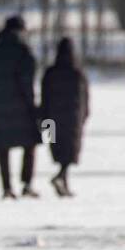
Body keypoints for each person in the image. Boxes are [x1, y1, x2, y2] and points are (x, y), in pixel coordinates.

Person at [0, 15, 42, 199]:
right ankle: (26, 184)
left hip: (0, 107)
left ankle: (6, 187)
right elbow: (27, 82)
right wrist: (32, 105)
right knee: (30, 145)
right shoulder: (24, 51)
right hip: (23, 107)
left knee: (3, 148)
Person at [40, 38, 90, 197]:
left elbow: (44, 96)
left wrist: (44, 118)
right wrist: (84, 115)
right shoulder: (77, 73)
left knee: (57, 149)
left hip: (52, 119)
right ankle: (61, 176)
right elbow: (84, 97)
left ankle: (63, 180)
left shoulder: (50, 73)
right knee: (69, 151)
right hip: (72, 118)